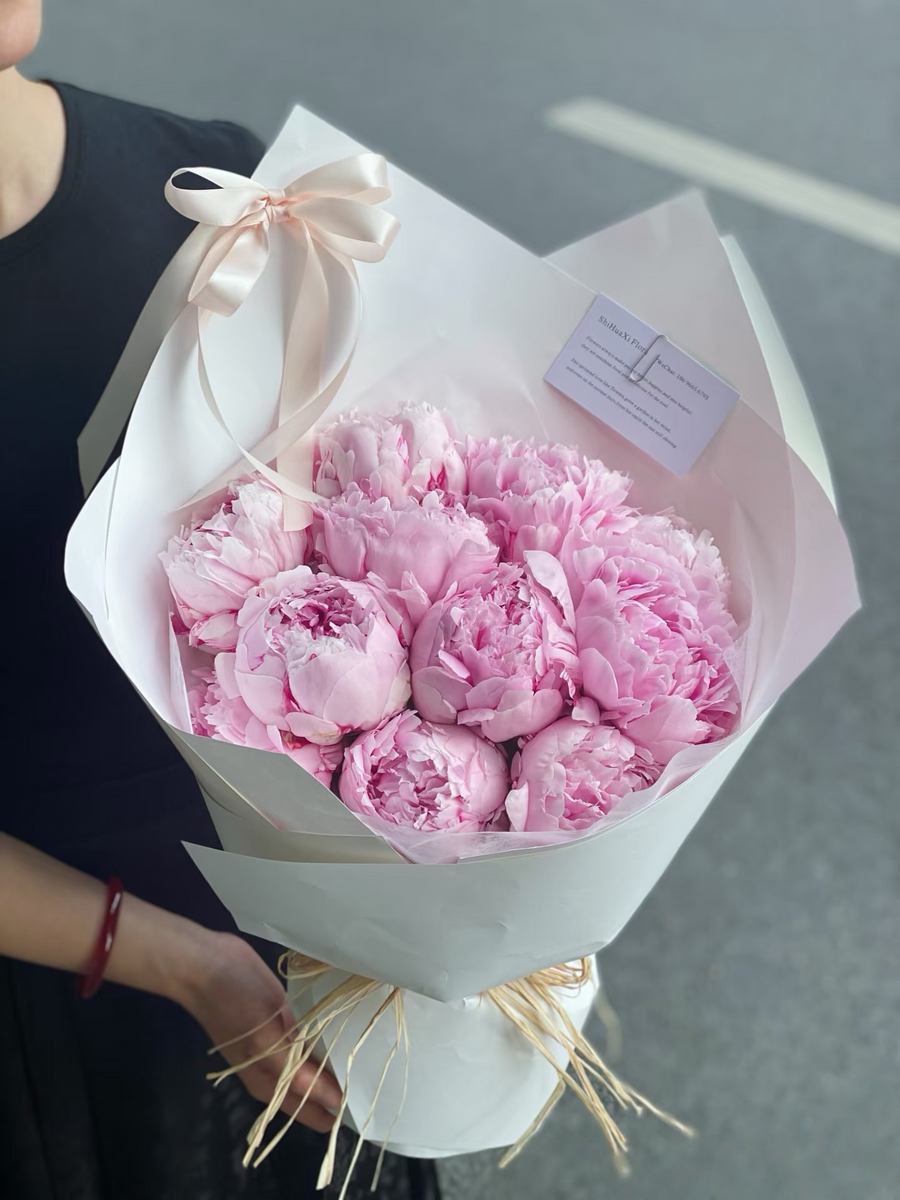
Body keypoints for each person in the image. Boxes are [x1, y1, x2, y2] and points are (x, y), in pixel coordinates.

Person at [0, 4, 440, 1197]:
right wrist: (187, 966)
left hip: (299, 941)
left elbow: (390, 551)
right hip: (57, 988)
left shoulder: (217, 197)